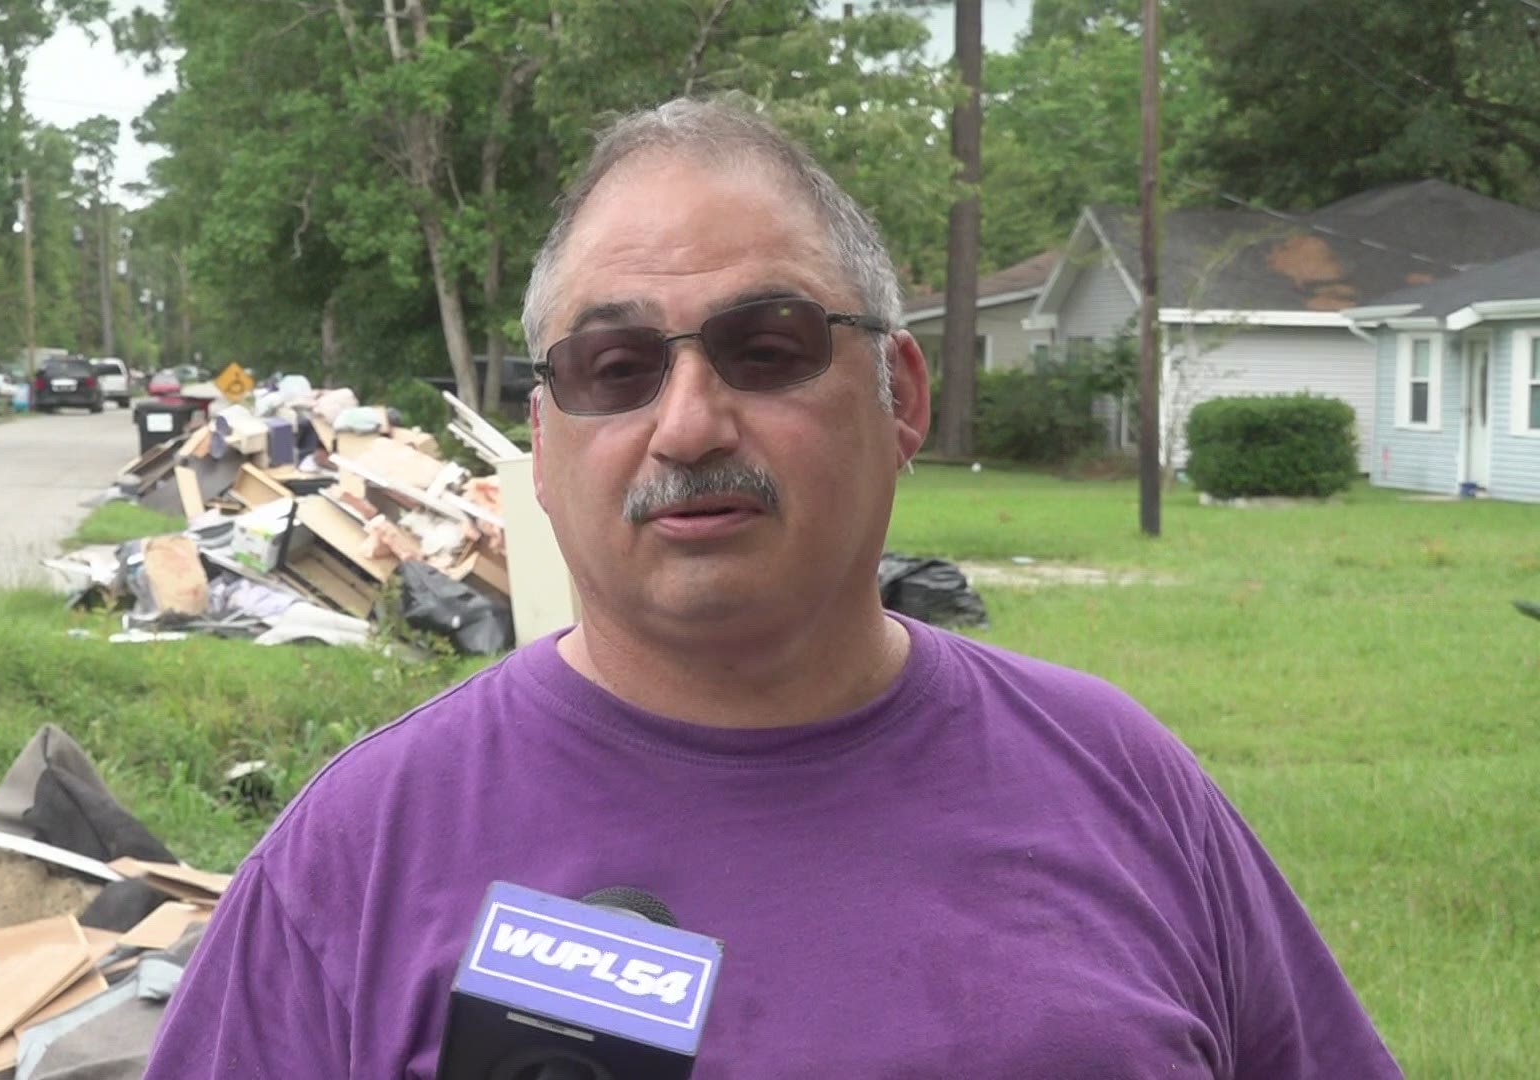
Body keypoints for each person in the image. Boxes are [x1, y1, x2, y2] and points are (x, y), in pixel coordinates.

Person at [147, 98, 1401, 1078]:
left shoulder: (1125, 785)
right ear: (542, 444)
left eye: (767, 349)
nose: (688, 424)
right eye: (616, 365)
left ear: (898, 398)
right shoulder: (361, 854)